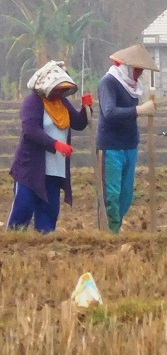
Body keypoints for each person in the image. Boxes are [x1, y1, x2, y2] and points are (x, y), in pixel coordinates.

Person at [7, 61, 92, 233]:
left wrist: (86, 108)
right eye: (57, 89)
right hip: (31, 169)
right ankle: (14, 249)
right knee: (23, 208)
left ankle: (44, 251)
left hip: (55, 170)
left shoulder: (62, 103)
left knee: (48, 215)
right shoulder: (33, 102)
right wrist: (56, 144)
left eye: (62, 89)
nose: (59, 92)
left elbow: (79, 123)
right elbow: (31, 130)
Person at [97, 43, 160, 233]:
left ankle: (114, 227)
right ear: (127, 67)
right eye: (137, 69)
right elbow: (109, 112)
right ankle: (111, 233)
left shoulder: (134, 87)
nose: (139, 73)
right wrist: (139, 110)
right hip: (111, 146)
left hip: (130, 145)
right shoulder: (109, 82)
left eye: (142, 70)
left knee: (126, 196)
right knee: (112, 194)